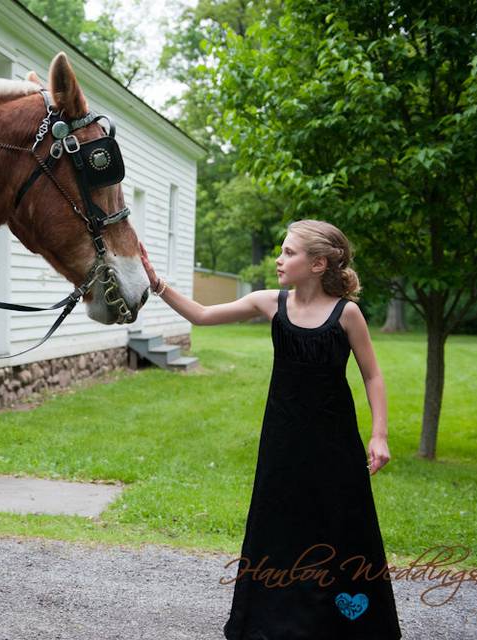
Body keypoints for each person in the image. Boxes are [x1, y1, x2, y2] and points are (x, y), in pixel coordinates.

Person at [140, 219, 401, 639]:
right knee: (279, 529)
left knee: (341, 529)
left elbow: (373, 375)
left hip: (335, 448)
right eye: (281, 251)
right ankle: (272, 623)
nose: (279, 259)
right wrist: (157, 283)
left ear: (318, 264)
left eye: (289, 253)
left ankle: (347, 625)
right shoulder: (270, 303)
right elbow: (203, 315)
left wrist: (380, 434)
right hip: (283, 442)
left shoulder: (346, 314)